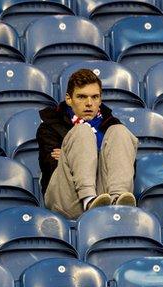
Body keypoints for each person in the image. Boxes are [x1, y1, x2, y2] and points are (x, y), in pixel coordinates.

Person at [37, 69, 138, 219]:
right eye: (82, 97)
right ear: (69, 99)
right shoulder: (50, 125)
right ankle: (88, 199)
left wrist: (72, 154)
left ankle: (118, 201)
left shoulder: (111, 124)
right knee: (83, 132)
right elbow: (51, 166)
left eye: (95, 97)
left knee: (120, 131)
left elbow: (125, 165)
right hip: (67, 198)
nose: (89, 103)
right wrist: (95, 153)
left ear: (100, 99)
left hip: (104, 198)